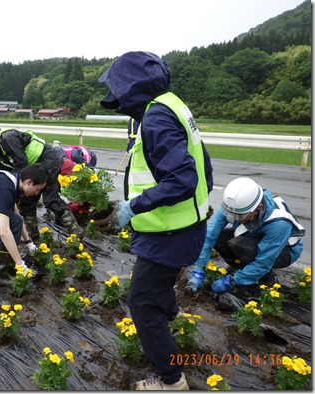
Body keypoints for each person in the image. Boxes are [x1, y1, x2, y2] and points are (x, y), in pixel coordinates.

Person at [94, 51, 214, 390]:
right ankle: (169, 312)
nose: (114, 96)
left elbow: (182, 179)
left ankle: (170, 380)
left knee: (141, 302)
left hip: (170, 231)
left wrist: (132, 208)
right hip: (181, 226)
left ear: (132, 86)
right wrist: (200, 209)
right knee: (156, 292)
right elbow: (203, 165)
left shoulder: (157, 117)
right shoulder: (170, 105)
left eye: (117, 87)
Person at [187, 177, 305, 294]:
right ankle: (240, 267)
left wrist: (232, 281)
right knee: (220, 237)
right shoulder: (234, 206)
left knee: (237, 244)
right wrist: (198, 268)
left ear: (258, 207)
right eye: (231, 214)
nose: (234, 218)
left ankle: (266, 278)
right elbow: (209, 235)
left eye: (239, 216)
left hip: (285, 251)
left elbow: (264, 260)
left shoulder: (279, 223)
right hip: (253, 237)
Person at [0, 121, 83, 239]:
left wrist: (15, 190)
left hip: (47, 161)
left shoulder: (8, 138)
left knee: (51, 200)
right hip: (32, 167)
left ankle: (75, 233)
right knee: (26, 202)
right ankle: (32, 236)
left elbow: (21, 164)